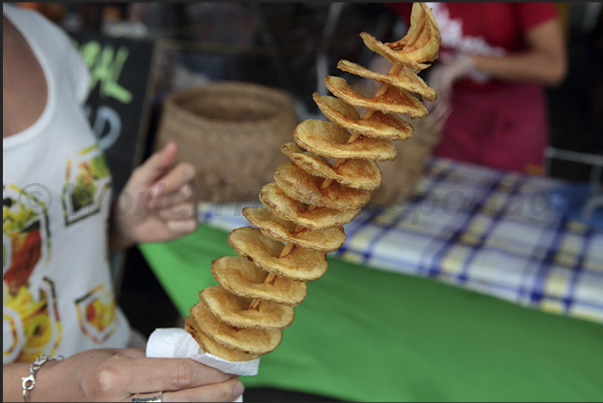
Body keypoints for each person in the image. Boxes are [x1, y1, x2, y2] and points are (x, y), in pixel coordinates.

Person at [3, 4, 244, 402]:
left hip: (120, 361)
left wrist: (117, 227)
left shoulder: (40, 38)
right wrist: (63, 384)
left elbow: (31, 253)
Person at [386, 2, 567, 174]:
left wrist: (471, 62)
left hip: (513, 116)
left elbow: (553, 66)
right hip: (452, 113)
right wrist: (394, 58)